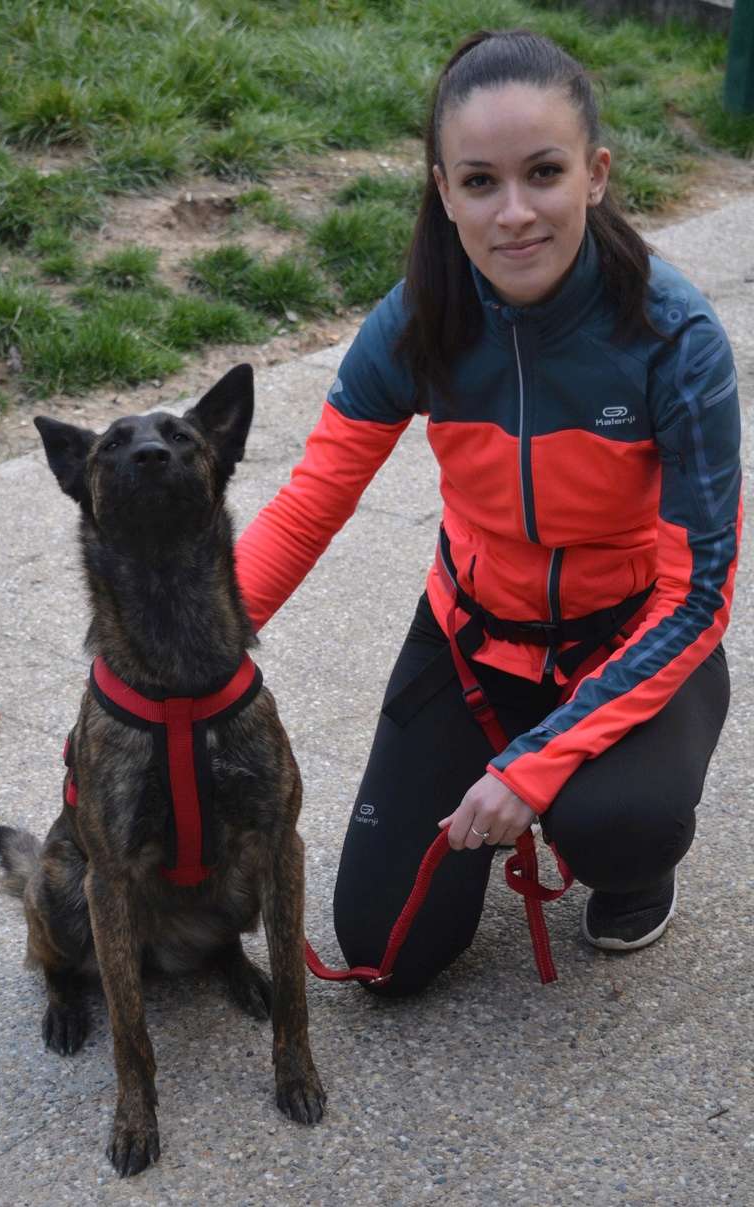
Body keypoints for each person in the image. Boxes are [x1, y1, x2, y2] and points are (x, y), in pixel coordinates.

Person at [234, 29, 740, 996]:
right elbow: (307, 507)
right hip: (472, 637)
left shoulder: (676, 338)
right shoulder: (416, 319)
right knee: (385, 953)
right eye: (479, 182)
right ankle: (529, 766)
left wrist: (538, 766)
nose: (514, 213)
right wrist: (181, 663)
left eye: (543, 173)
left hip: (629, 635)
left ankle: (630, 847)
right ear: (442, 188)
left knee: (614, 822)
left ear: (595, 173)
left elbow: (697, 593)